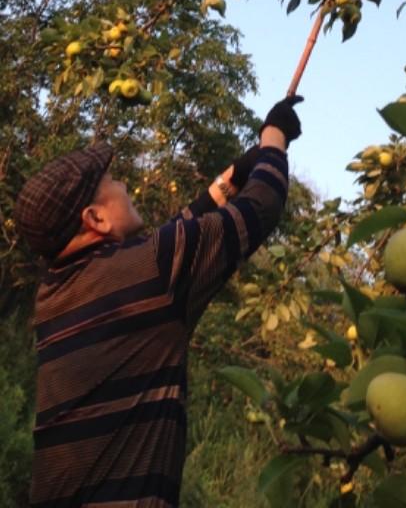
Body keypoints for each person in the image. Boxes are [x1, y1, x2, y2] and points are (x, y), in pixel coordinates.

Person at [14, 94, 303, 508]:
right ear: (94, 219)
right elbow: (261, 207)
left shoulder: (55, 292)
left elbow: (181, 229)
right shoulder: (151, 268)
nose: (123, 185)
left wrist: (237, 170)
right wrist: (275, 138)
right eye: (112, 183)